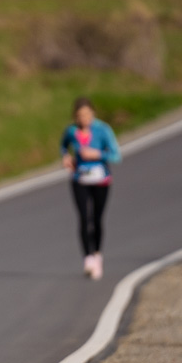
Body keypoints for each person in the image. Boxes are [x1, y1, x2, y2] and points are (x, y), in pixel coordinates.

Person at [60, 97, 121, 280]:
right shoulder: (71, 131)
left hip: (101, 179)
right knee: (84, 218)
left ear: (92, 113)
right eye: (79, 115)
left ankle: (97, 254)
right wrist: (66, 157)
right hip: (80, 179)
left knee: (96, 218)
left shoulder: (102, 130)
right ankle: (88, 258)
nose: (83, 119)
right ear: (75, 116)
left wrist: (97, 154)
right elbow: (63, 146)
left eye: (86, 114)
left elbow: (116, 155)